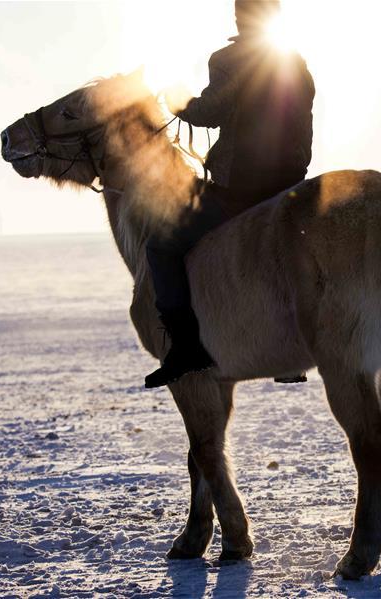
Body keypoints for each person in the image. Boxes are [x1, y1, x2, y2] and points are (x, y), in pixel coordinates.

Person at [144, 0, 315, 388]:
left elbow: (212, 110)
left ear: (240, 16)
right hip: (289, 185)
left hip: (242, 186)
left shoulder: (231, 58)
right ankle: (290, 357)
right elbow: (304, 123)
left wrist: (178, 101)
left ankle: (186, 347)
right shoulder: (296, 62)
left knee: (162, 247)